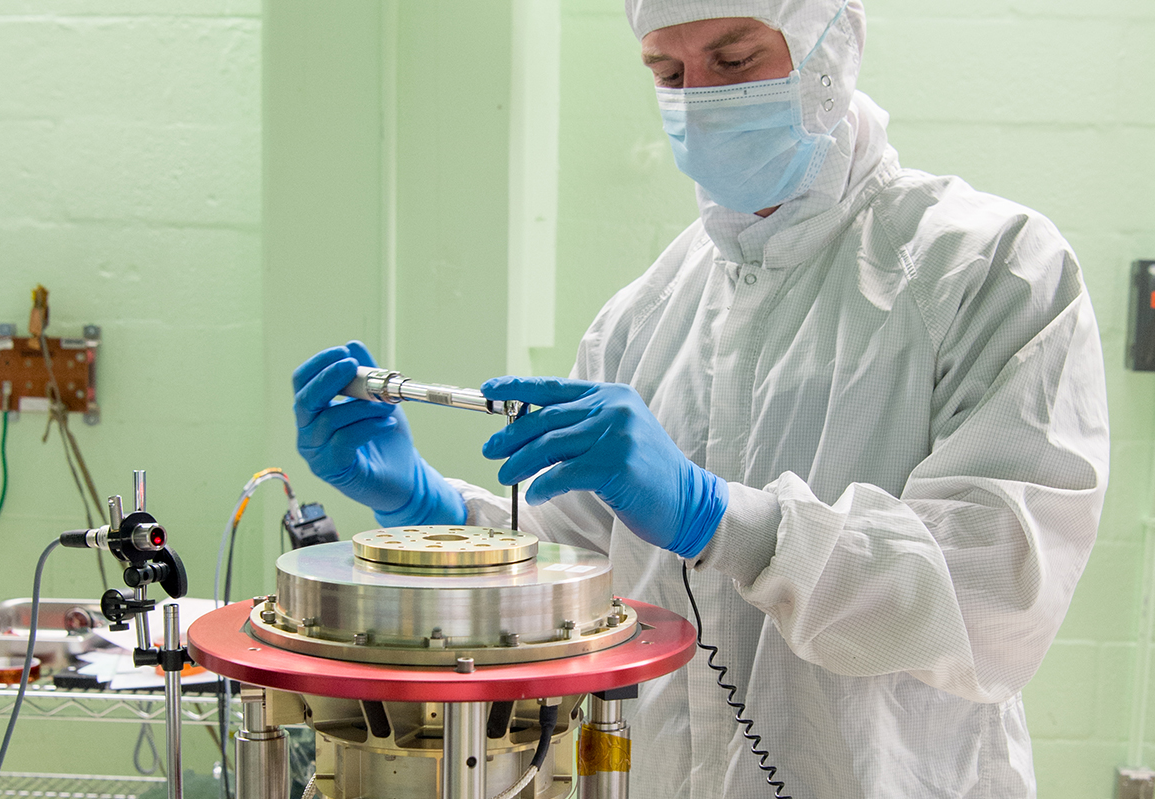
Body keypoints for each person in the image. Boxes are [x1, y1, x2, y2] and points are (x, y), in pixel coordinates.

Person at [292, 1, 1110, 796]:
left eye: (733, 59)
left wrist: (721, 519)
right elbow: (575, 572)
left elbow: (994, 593)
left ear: (831, 43)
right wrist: (429, 506)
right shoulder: (643, 316)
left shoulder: (992, 271)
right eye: (667, 69)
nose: (700, 98)